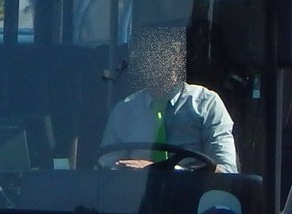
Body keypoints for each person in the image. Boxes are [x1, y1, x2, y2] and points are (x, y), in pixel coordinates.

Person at [100, 26, 237, 172]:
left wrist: (159, 170)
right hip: (136, 193)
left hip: (192, 194)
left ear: (179, 60)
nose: (162, 62)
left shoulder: (207, 103)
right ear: (141, 62)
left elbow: (227, 171)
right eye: (153, 55)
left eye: (169, 54)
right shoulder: (124, 111)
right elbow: (106, 170)